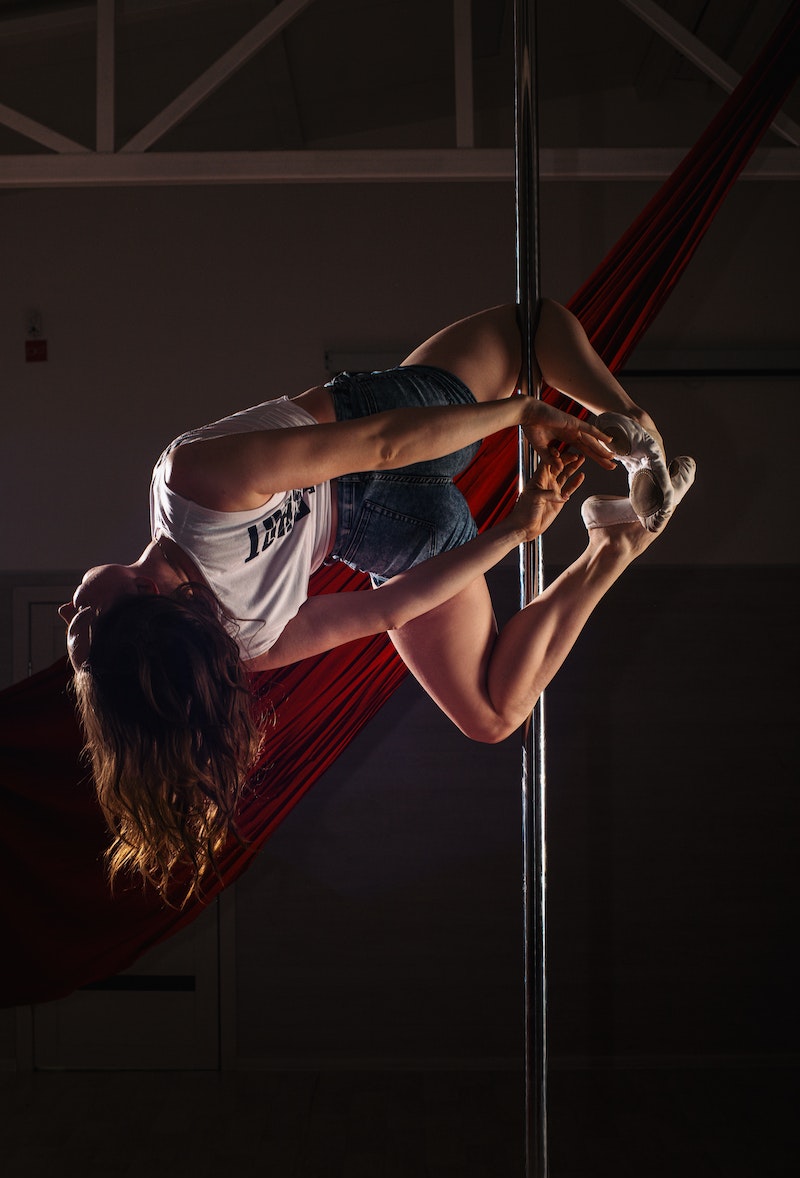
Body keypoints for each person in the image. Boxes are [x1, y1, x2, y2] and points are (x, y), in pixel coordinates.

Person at [59, 300, 695, 903]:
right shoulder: (188, 484)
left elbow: (388, 612)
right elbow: (381, 445)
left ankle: (613, 543)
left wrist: (516, 532)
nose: (67, 613)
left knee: (493, 715)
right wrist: (522, 416)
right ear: (140, 594)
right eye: (83, 624)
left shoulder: (233, 646)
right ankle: (637, 439)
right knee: (530, 326)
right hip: (386, 429)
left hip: (395, 532)